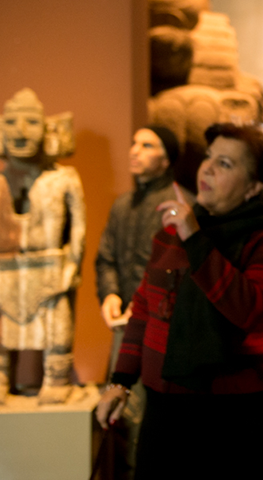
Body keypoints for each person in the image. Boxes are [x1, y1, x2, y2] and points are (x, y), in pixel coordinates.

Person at [95, 123, 263, 479]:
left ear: (256, 186)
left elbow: (248, 306)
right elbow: (144, 309)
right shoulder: (173, 232)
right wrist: (120, 382)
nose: (206, 168)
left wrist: (195, 238)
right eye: (209, 157)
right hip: (164, 405)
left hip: (236, 412)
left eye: (225, 164)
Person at [0, 88, 84, 405]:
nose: (21, 132)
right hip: (4, 273)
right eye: (11, 122)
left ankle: (55, 378)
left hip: (50, 271)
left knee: (56, 327)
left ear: (49, 129)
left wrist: (72, 266)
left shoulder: (65, 179)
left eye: (31, 122)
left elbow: (79, 228)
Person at [94, 125, 184, 479]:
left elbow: (177, 272)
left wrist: (146, 306)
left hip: (162, 333)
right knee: (118, 414)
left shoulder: (180, 204)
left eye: (147, 145)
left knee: (149, 423)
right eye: (134, 142)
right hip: (124, 330)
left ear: (167, 157)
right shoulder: (121, 205)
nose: (135, 150)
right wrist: (110, 294)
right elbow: (105, 258)